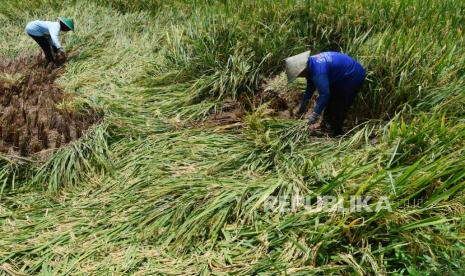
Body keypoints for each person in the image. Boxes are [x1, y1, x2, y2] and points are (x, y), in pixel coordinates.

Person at [285, 51, 366, 136]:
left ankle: (336, 133)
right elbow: (309, 90)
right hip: (341, 76)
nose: (299, 76)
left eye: (299, 75)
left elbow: (324, 95)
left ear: (302, 70)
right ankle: (326, 124)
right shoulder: (311, 65)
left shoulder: (318, 71)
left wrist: (314, 116)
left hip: (353, 75)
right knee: (332, 99)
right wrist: (302, 109)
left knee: (339, 104)